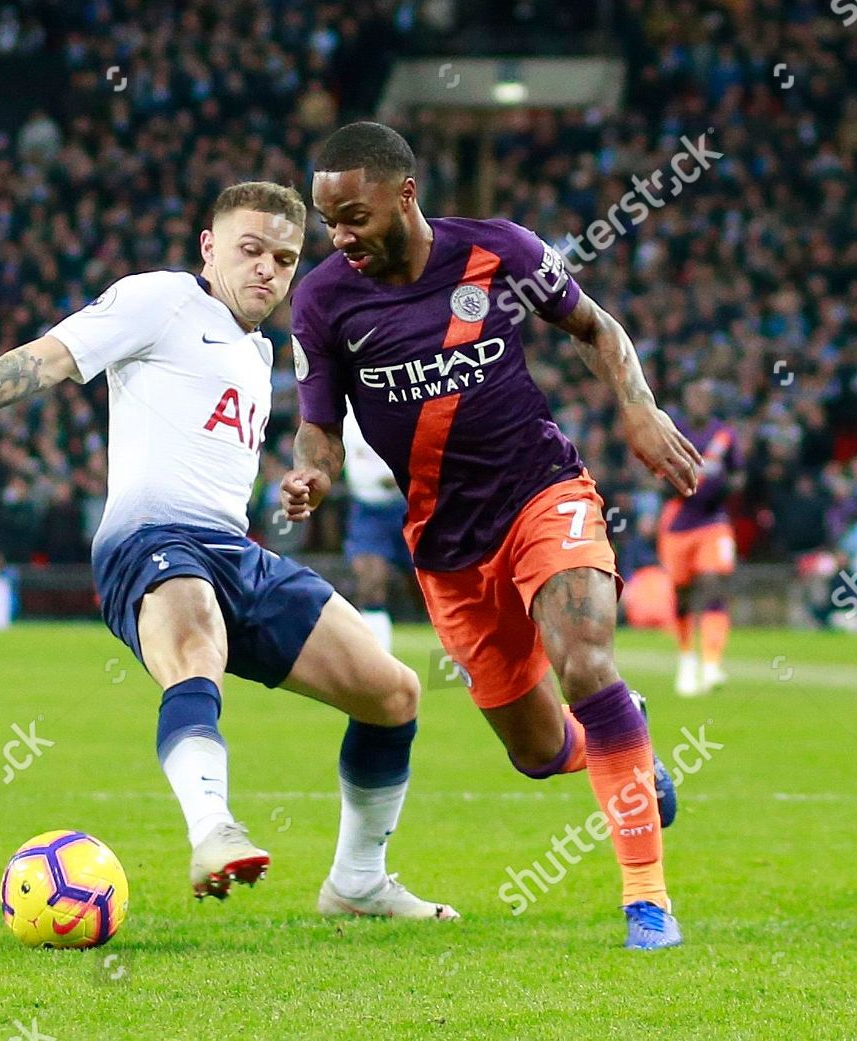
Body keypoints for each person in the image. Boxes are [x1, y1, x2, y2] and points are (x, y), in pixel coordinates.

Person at [0, 181, 456, 919]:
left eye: (284, 259)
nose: (267, 269)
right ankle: (213, 831)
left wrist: (306, 483)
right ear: (209, 247)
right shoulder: (160, 300)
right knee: (197, 641)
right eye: (250, 249)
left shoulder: (260, 350)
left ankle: (357, 883)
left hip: (233, 552)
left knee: (393, 693)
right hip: (149, 541)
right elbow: (46, 359)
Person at [281, 122, 696, 949]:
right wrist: (312, 474)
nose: (341, 237)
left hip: (542, 492)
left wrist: (640, 409)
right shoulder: (324, 300)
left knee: (587, 662)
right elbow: (319, 427)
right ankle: (621, 737)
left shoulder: (498, 252)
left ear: (405, 194)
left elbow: (597, 328)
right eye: (329, 221)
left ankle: (647, 901)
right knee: (538, 750)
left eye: (355, 216)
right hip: (446, 544)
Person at [658, 381, 742, 696]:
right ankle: (687, 659)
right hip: (678, 522)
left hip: (713, 521)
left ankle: (711, 663)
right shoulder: (672, 433)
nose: (699, 402)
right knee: (682, 595)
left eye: (704, 397)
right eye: (694, 396)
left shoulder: (725, 435)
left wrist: (727, 486)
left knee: (713, 584)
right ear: (686, 400)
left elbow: (739, 472)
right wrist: (671, 484)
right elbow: (655, 471)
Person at [341, 404, 411, 652]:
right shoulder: (342, 412)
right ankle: (378, 655)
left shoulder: (398, 403)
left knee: (435, 583)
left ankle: (459, 651)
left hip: (411, 505)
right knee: (370, 583)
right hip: (367, 509)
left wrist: (401, 476)